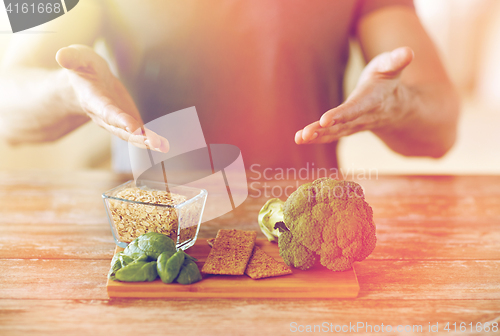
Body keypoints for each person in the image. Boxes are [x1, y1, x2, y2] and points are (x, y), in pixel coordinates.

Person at [0, 0, 459, 171]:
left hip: (300, 228)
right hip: (150, 233)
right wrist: (67, 93)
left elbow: (442, 126)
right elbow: (8, 98)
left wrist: (397, 105)